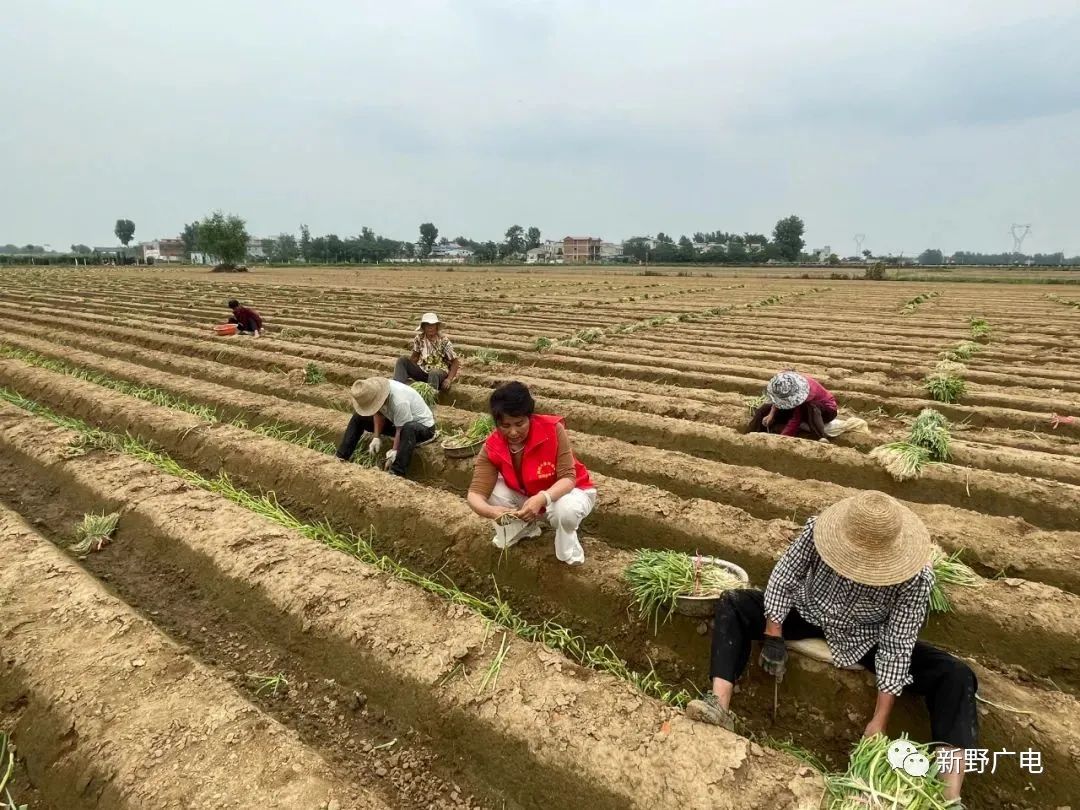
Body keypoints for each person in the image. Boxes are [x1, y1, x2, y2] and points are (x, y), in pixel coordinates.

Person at [686, 491, 977, 805]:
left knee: (956, 676)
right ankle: (719, 705)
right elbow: (785, 577)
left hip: (866, 638)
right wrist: (773, 634)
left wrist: (879, 720)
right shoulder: (818, 531)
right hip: (810, 612)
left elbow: (897, 645)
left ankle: (948, 795)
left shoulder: (917, 578)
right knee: (734, 603)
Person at [465, 381, 596, 566]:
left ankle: (569, 546)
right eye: (505, 425)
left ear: (530, 417)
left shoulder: (552, 430)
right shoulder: (492, 446)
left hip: (570, 491)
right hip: (529, 494)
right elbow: (475, 494)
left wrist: (542, 498)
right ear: (497, 423)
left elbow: (568, 478)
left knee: (565, 512)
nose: (513, 432)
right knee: (494, 490)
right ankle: (524, 529)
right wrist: (491, 512)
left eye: (519, 423)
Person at [336, 377, 436, 477]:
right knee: (358, 417)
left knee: (408, 428)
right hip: (397, 422)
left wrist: (394, 451)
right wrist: (376, 437)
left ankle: (397, 472)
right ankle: (341, 457)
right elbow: (378, 412)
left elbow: (400, 429)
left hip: (422, 428)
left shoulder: (399, 402)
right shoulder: (374, 391)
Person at [748, 371, 855, 441]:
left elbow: (796, 419)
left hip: (825, 411)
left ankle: (820, 437)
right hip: (798, 405)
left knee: (809, 407)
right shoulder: (784, 380)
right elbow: (777, 400)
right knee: (764, 409)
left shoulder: (807, 393)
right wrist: (771, 415)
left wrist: (782, 438)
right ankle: (750, 435)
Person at [394, 312, 460, 392]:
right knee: (402, 360)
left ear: (436, 326)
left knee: (434, 373)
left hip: (439, 373)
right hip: (423, 370)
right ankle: (397, 389)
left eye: (432, 325)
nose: (430, 327)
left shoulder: (444, 341)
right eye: (427, 325)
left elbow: (455, 362)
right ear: (423, 327)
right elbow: (415, 357)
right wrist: (407, 370)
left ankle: (430, 397)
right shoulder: (419, 339)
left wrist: (449, 379)